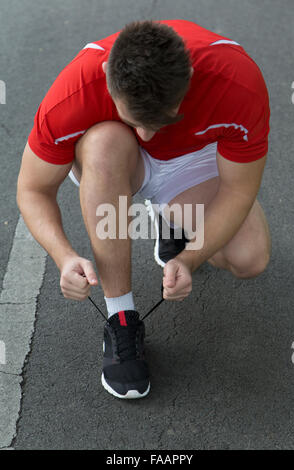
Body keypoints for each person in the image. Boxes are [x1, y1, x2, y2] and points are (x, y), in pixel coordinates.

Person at [17, 19, 271, 399]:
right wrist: (64, 256)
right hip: (116, 159)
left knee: (249, 258)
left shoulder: (238, 81)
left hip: (189, 159)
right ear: (107, 75)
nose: (149, 135)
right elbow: (33, 189)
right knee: (105, 144)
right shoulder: (76, 89)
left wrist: (190, 258)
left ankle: (170, 220)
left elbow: (238, 191)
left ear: (189, 75)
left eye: (161, 119)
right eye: (136, 120)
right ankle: (121, 316)